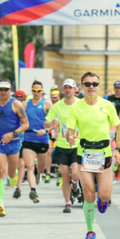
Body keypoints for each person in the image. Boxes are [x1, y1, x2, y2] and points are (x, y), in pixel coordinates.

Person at [67, 72, 120, 239]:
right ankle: (90, 230)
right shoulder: (76, 107)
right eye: (87, 84)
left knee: (104, 195)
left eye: (94, 83)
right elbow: (70, 130)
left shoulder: (107, 105)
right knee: (88, 194)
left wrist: (118, 149)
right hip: (84, 153)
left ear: (99, 86)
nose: (91, 86)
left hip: (104, 153)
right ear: (81, 87)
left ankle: (103, 200)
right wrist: (70, 137)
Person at [0, 78, 29, 217]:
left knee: (11, 174)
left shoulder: (16, 104)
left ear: (10, 89)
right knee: (0, 171)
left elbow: (26, 124)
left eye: (6, 89)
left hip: (14, 142)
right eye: (1, 89)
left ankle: (14, 177)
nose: (3, 92)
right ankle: (0, 204)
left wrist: (13, 133)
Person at [45, 79, 82, 213]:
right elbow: (46, 123)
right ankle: (67, 202)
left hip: (77, 145)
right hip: (61, 145)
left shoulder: (81, 104)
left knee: (76, 174)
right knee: (65, 175)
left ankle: (75, 184)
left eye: (70, 87)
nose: (67, 90)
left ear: (75, 89)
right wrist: (50, 124)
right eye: (65, 87)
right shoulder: (57, 106)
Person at [18, 81, 53, 203]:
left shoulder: (47, 104)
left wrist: (45, 130)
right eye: (34, 91)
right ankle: (33, 190)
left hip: (43, 140)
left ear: (42, 91)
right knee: (29, 166)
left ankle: (39, 173)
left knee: (41, 169)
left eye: (39, 91)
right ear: (31, 91)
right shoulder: (25, 104)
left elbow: (55, 122)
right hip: (29, 139)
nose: (36, 93)